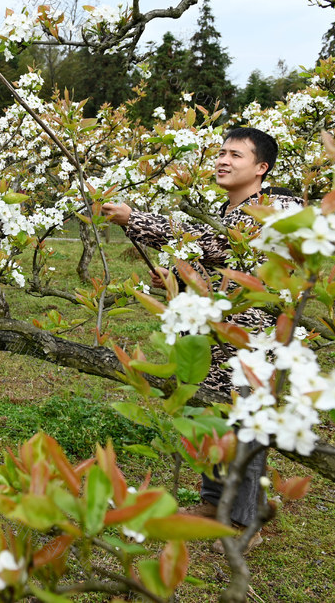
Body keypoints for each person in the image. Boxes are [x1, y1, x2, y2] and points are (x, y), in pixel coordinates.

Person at [101, 127, 301, 553]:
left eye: (236, 155)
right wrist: (178, 279)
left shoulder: (267, 209)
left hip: (251, 341)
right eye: (222, 152)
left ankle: (246, 523)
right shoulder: (229, 211)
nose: (223, 160)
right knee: (213, 420)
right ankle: (215, 506)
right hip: (216, 336)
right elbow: (216, 262)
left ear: (261, 168)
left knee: (246, 426)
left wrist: (134, 218)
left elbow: (209, 244)